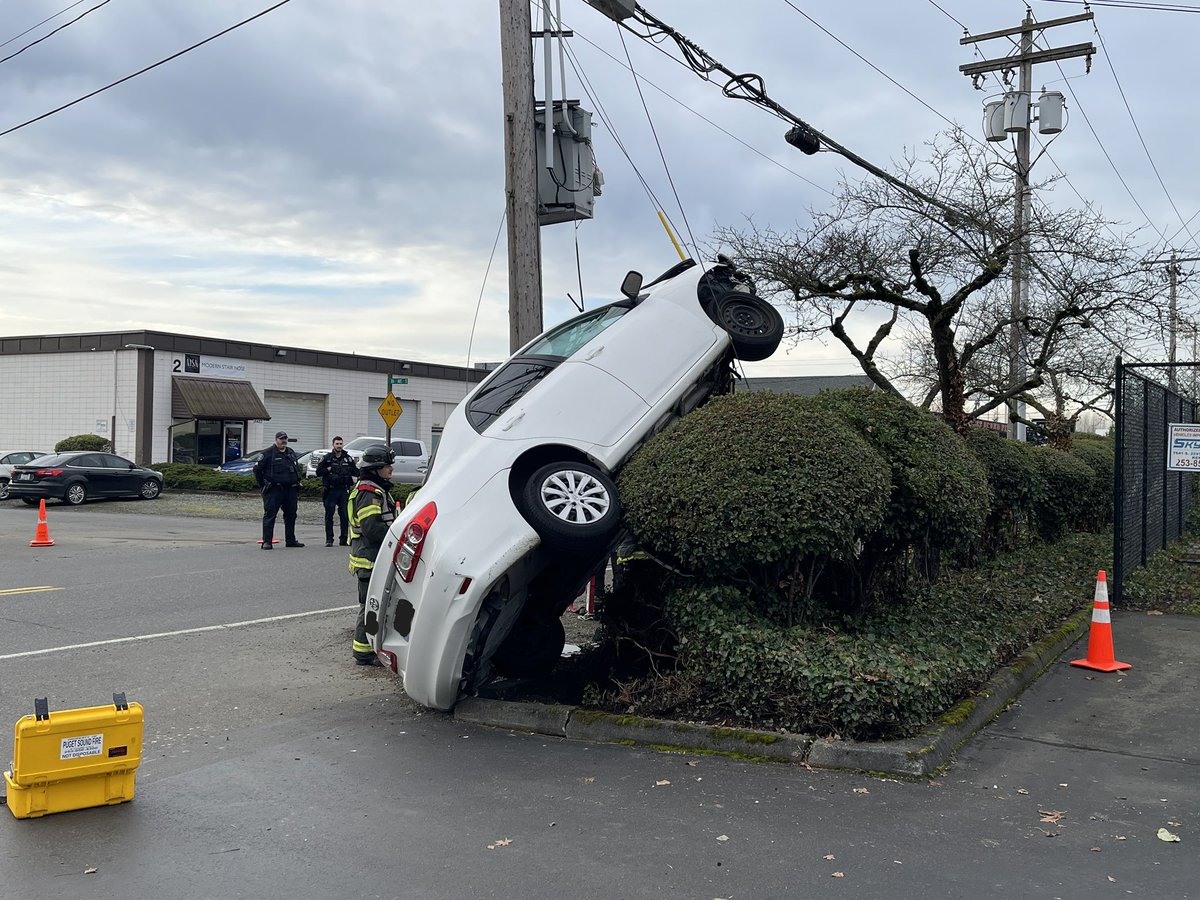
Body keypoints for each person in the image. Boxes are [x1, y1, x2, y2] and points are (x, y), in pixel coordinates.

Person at [347, 444, 398, 665]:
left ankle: (369, 647)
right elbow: (372, 528)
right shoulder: (369, 493)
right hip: (369, 559)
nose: (391, 470)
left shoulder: (375, 490)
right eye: (388, 466)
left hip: (373, 557)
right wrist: (396, 541)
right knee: (370, 607)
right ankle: (363, 652)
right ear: (376, 468)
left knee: (373, 606)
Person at [253, 430, 304, 549]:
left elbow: (296, 468)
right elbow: (257, 471)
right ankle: (267, 542)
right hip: (274, 490)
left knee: (291, 515)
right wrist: (263, 485)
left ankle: (290, 540)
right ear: (276, 440)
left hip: (290, 490)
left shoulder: (290, 452)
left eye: (285, 439)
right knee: (270, 515)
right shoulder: (267, 453)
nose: (284, 441)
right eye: (281, 439)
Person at [316, 435, 357, 547]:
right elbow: (318, 472)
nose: (339, 446)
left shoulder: (348, 458)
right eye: (337, 444)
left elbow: (356, 472)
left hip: (343, 490)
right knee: (329, 515)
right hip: (330, 491)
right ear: (333, 445)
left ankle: (343, 539)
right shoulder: (327, 458)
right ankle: (329, 539)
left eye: (340, 444)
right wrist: (329, 469)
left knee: (344, 515)